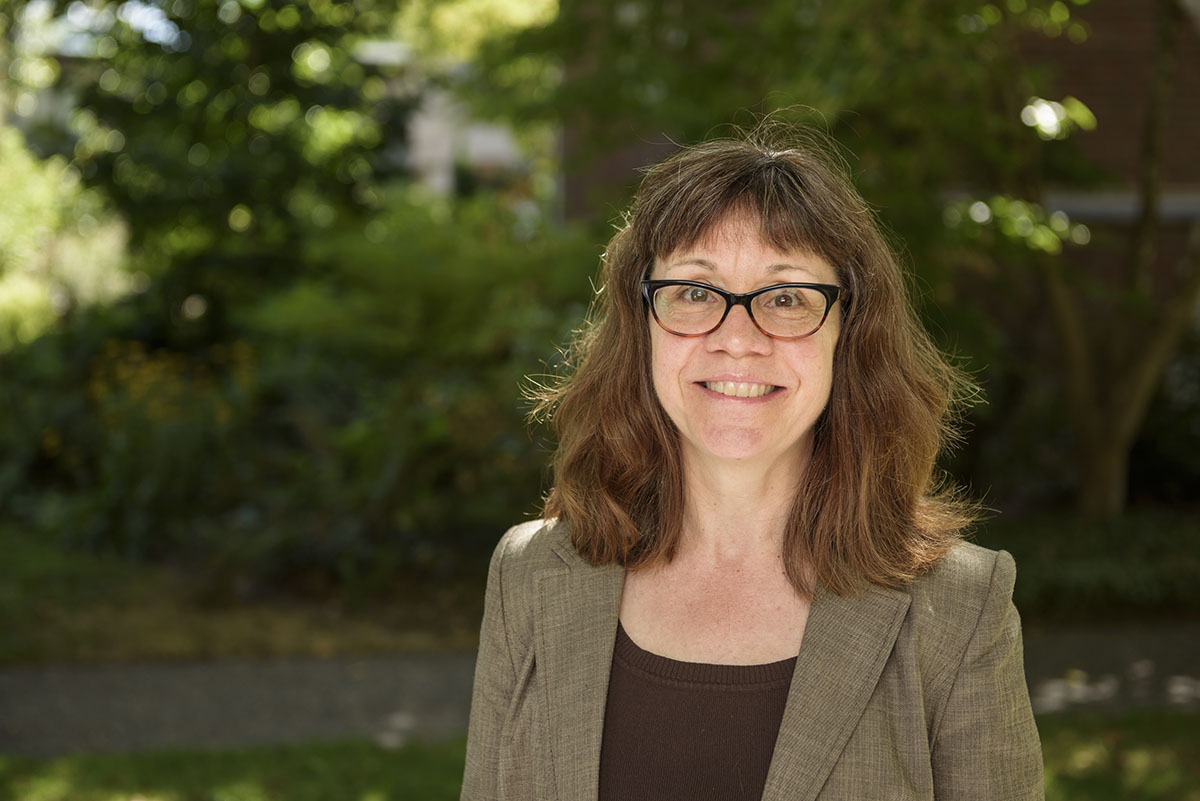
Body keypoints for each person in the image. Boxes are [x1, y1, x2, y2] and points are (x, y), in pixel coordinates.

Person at [460, 124, 1043, 801]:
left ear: (848, 331)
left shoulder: (961, 609)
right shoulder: (527, 576)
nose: (737, 339)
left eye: (787, 297)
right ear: (641, 320)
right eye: (696, 292)